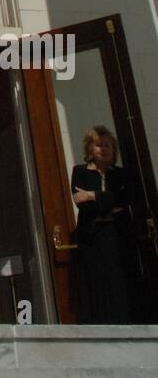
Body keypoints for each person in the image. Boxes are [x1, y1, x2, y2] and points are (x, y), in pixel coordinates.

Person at [71, 125, 140, 324]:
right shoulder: (80, 172)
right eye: (99, 145)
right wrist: (109, 203)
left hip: (116, 234)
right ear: (90, 149)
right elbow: (80, 202)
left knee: (118, 280)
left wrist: (93, 195)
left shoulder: (122, 174)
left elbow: (125, 198)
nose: (104, 149)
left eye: (108, 145)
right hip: (92, 236)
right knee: (96, 281)